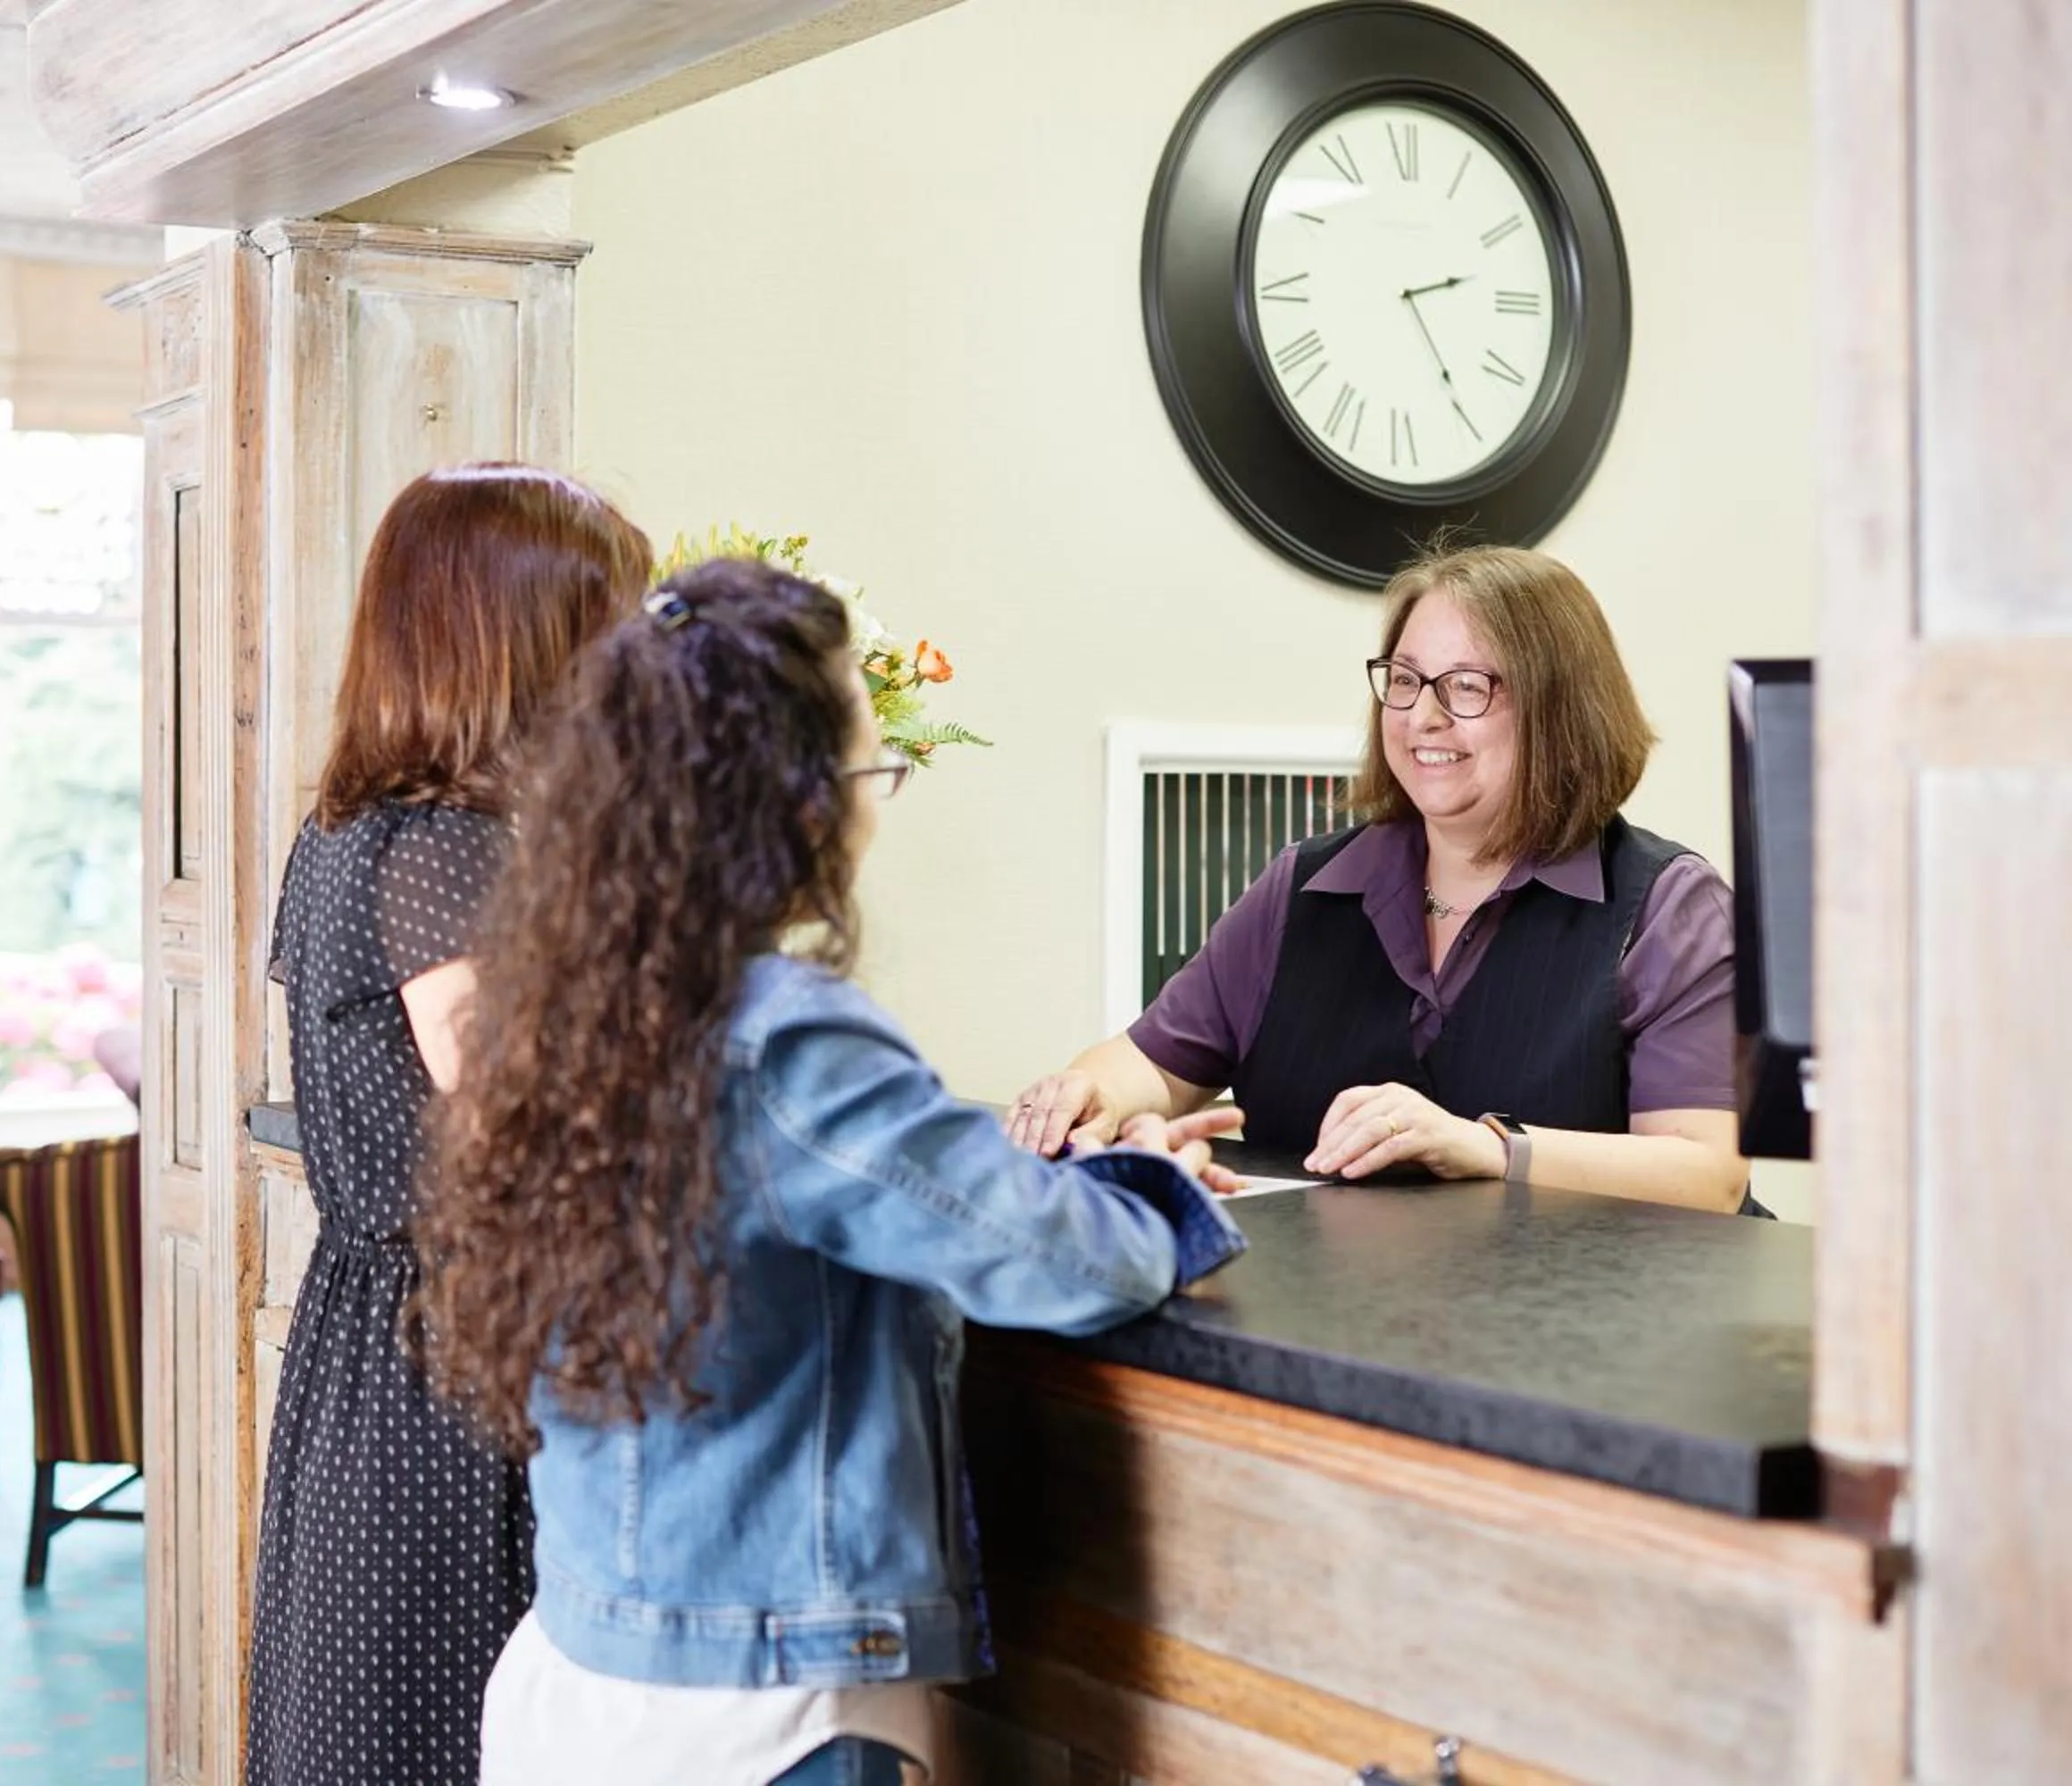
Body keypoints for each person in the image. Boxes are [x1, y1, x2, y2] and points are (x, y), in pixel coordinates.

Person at [414, 558, 1248, 1786]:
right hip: (760, 1714)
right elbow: (1052, 1257)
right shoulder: (781, 1037)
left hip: (581, 1674)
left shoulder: (560, 1015)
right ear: (799, 804)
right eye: (872, 765)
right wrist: (1140, 1185)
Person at [245, 463, 653, 1786]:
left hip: (379, 1351)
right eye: (612, 624)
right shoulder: (455, 848)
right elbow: (536, 1120)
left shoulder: (345, 830)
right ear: (526, 641)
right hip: (454, 1376)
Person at [1008, 543, 1752, 1214]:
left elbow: (1706, 1176)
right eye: (1404, 680)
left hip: (1592, 1338)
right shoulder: (1305, 886)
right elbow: (1153, 1063)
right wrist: (1093, 1094)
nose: (1422, 716)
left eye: (1466, 686)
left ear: (1560, 711)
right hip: (1339, 1323)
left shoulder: (1667, 905)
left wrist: (1490, 1149)